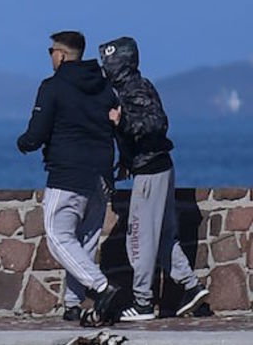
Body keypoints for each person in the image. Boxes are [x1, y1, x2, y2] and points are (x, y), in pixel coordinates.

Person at [98, 36, 209, 321]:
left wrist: (120, 121)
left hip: (150, 174)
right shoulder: (135, 86)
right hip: (156, 167)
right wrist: (126, 161)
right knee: (162, 238)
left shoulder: (133, 88)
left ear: (119, 62)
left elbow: (156, 123)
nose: (104, 68)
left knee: (139, 239)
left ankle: (143, 303)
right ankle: (191, 287)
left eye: (108, 62)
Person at [17, 31, 119, 325]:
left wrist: (23, 143)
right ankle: (73, 304)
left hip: (67, 174)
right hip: (101, 174)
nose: (50, 56)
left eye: (50, 51)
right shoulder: (103, 86)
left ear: (60, 54)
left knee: (58, 236)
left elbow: (36, 134)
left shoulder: (53, 87)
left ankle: (102, 287)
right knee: (85, 240)